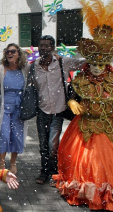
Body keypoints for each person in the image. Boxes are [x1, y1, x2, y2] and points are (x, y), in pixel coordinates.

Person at [52, 0, 113, 211]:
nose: (97, 68)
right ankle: (86, 193)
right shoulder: (80, 80)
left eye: (101, 64)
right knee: (83, 162)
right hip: (84, 126)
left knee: (103, 164)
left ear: (107, 63)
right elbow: (72, 94)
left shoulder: (112, 80)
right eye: (94, 63)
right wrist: (71, 101)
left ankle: (104, 194)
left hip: (107, 128)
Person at [33, 35, 85, 186]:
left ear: (53, 47)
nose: (43, 48)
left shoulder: (63, 62)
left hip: (58, 111)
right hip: (42, 111)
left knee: (53, 144)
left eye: (46, 45)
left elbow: (82, 64)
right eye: (41, 45)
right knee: (43, 144)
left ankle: (53, 170)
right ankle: (44, 171)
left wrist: (94, 54)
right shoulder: (34, 65)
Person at [0, 43, 29, 174]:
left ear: (18, 54)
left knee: (17, 136)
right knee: (3, 135)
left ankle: (13, 162)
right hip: (4, 109)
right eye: (7, 52)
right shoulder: (1, 69)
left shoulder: (25, 69)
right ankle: (2, 163)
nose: (10, 54)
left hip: (19, 108)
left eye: (13, 51)